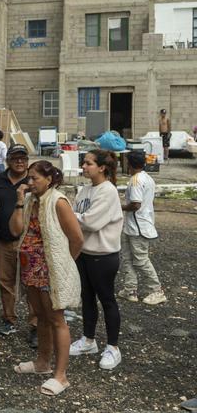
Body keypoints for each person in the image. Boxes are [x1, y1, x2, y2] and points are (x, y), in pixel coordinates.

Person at [8, 161, 83, 397]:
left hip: (51, 267)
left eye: (34, 178)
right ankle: (42, 363)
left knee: (56, 319)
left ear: (49, 179)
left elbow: (77, 238)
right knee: (40, 316)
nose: (29, 183)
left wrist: (63, 264)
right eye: (28, 178)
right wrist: (19, 200)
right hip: (31, 265)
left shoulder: (58, 201)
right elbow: (15, 229)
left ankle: (61, 375)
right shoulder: (31, 200)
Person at [70, 150, 124, 370]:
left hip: (103, 255)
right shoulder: (85, 190)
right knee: (87, 298)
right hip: (85, 253)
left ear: (101, 167)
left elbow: (90, 222)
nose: (84, 166)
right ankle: (88, 340)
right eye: (83, 163)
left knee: (107, 299)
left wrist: (67, 214)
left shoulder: (108, 191)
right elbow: (77, 216)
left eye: (89, 163)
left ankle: (113, 347)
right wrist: (73, 216)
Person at [0, 144, 37, 343]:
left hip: (30, 241)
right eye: (16, 158)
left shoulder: (35, 181)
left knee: (32, 284)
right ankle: (9, 319)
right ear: (7, 160)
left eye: (23, 158)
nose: (20, 162)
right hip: (4, 240)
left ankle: (36, 325)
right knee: (6, 281)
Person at [118, 152, 166, 305]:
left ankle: (157, 290)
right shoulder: (147, 178)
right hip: (134, 226)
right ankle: (130, 289)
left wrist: (119, 207)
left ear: (129, 164)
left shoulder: (136, 180)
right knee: (127, 258)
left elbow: (135, 204)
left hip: (138, 227)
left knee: (140, 260)